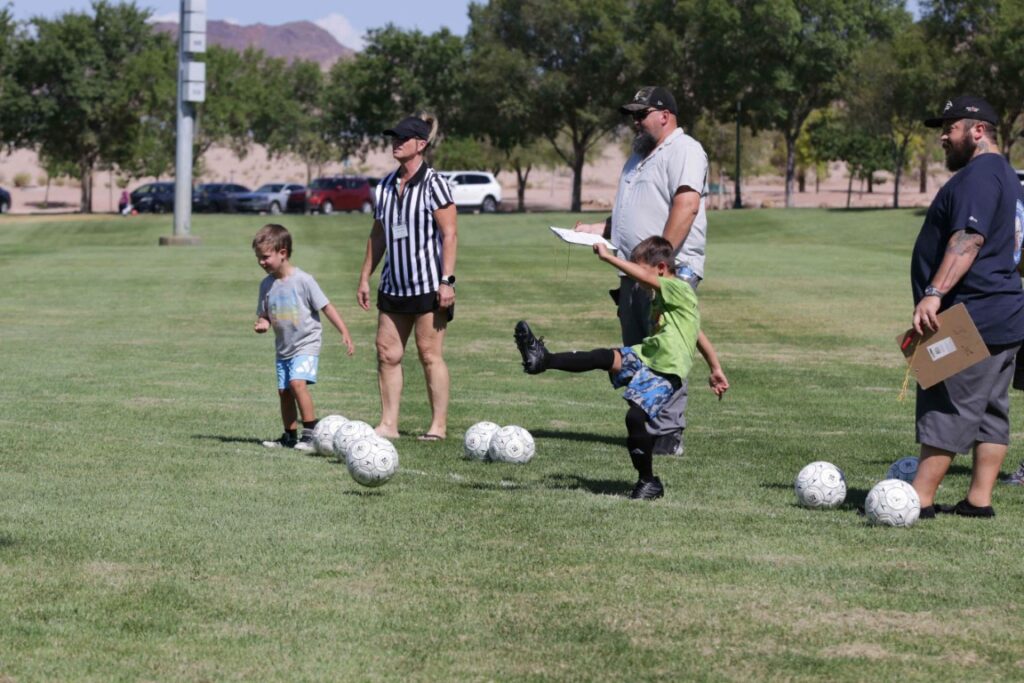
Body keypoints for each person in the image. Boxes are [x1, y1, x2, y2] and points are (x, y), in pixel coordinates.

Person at [514, 236, 728, 500]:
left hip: (666, 370)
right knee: (603, 357)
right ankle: (542, 360)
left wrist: (608, 258)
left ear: (661, 268)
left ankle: (648, 482)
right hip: (647, 355)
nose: (637, 279)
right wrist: (715, 367)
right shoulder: (664, 296)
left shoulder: (679, 288)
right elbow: (698, 333)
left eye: (641, 271)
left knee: (634, 418)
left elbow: (652, 285)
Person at [575, 85, 714, 456]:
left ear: (664, 115)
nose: (635, 122)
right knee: (640, 350)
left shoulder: (685, 150)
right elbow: (632, 212)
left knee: (667, 349)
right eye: (632, 116)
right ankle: (646, 427)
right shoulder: (637, 157)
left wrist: (658, 268)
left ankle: (667, 434)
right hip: (635, 271)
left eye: (641, 114)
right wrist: (598, 230)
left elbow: (685, 207)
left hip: (668, 271)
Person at [909, 95, 1024, 518]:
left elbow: (968, 239)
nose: (942, 136)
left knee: (946, 402)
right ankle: (979, 499)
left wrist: (934, 292)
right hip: (1006, 313)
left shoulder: (977, 176)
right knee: (992, 411)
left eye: (950, 127)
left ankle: (919, 499)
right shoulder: (1009, 175)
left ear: (978, 131)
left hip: (969, 315)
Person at [357, 113, 457, 441]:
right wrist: (364, 277)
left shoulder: (435, 184)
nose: (395, 143)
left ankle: (438, 426)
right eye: (393, 138)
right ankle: (388, 425)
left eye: (402, 138)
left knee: (429, 355)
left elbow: (449, 235)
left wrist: (447, 281)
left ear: (421, 144)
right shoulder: (384, 187)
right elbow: (378, 235)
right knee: (387, 353)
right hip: (393, 286)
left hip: (429, 286)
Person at [253, 223, 355, 451]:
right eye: (258, 257)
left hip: (306, 343)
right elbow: (265, 315)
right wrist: (262, 324)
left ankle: (310, 435)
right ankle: (289, 436)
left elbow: (326, 307)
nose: (261, 262)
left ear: (283, 253)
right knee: (284, 392)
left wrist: (344, 332)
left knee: (297, 383)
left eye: (265, 257)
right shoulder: (267, 285)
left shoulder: (304, 280)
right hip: (283, 347)